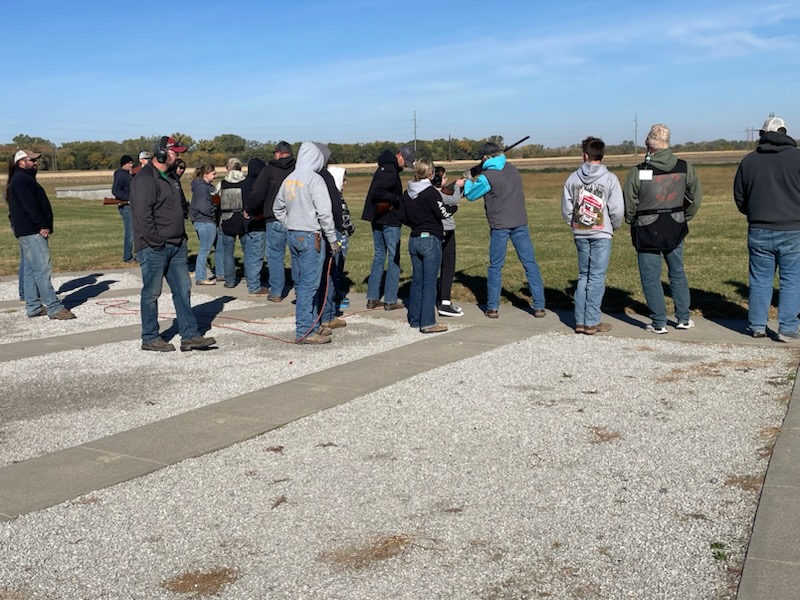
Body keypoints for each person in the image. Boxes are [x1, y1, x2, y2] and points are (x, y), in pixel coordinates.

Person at [130, 136, 216, 352]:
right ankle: (150, 337)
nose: (178, 156)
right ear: (161, 153)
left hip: (177, 244)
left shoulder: (171, 178)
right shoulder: (145, 178)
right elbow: (142, 215)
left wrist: (181, 237)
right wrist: (156, 242)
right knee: (152, 292)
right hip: (154, 246)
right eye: (175, 152)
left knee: (183, 289)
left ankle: (190, 335)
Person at [623, 124, 702, 334]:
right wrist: (684, 217)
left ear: (650, 145)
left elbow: (629, 201)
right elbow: (696, 198)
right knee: (677, 273)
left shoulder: (639, 171)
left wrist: (631, 219)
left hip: (647, 229)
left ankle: (659, 322)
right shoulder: (686, 168)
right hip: (676, 227)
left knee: (650, 277)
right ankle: (684, 318)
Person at [462, 141, 546, 319]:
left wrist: (468, 179)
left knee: (495, 267)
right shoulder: (513, 170)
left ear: (485, 158)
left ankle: (492, 307)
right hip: (520, 222)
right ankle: (539, 306)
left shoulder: (487, 176)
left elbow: (470, 195)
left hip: (500, 226)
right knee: (530, 264)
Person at [734, 115, 800, 341]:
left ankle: (757, 325)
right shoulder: (797, 158)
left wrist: (754, 214)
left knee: (760, 279)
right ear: (786, 133)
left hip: (759, 228)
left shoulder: (749, 161)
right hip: (793, 229)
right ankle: (788, 328)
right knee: (792, 280)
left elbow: (740, 198)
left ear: (762, 135)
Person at [273, 142, 339, 345]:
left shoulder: (289, 179)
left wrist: (291, 222)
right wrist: (333, 239)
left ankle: (311, 324)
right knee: (309, 286)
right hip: (312, 237)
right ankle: (304, 331)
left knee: (301, 283)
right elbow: (325, 213)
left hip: (293, 236)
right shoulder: (315, 179)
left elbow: (277, 208)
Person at [561, 137, 624, 335]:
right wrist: (613, 226)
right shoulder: (610, 179)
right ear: (601, 155)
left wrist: (573, 223)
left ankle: (580, 320)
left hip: (580, 231)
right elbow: (617, 208)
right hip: (601, 233)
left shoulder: (572, 178)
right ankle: (592, 321)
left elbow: (566, 207)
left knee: (584, 275)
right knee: (596, 277)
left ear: (585, 155)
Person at [7, 150, 76, 320]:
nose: (35, 163)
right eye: (31, 160)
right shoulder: (22, 180)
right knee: (42, 270)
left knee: (30, 269)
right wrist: (43, 225)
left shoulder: (21, 179)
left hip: (26, 231)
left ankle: (33, 306)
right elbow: (30, 206)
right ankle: (54, 307)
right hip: (32, 231)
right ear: (21, 162)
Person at [397, 159, 456, 333]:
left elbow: (401, 216)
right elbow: (442, 213)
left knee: (417, 281)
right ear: (430, 173)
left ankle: (415, 319)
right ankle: (428, 322)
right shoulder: (431, 192)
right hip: (430, 239)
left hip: (414, 238)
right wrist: (453, 209)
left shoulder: (407, 192)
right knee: (429, 283)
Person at [361, 145, 416, 310]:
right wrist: (397, 199)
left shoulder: (383, 167)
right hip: (389, 219)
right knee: (393, 258)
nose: (404, 166)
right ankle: (390, 299)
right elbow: (379, 192)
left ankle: (372, 298)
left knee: (379, 256)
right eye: (404, 162)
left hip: (377, 218)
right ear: (399, 155)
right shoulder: (391, 171)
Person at [247, 141, 296, 300]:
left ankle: (276, 292)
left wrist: (250, 209)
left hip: (273, 218)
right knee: (298, 255)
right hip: (296, 217)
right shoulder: (298, 169)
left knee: (275, 256)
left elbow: (258, 192)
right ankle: (302, 289)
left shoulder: (269, 170)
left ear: (277, 153)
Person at [314, 143, 347, 331]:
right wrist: (337, 231)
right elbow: (333, 206)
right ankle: (327, 315)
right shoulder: (324, 177)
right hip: (328, 230)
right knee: (330, 274)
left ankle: (319, 313)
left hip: (313, 231)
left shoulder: (310, 176)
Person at [432, 166, 463, 317]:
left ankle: (440, 299)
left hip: (437, 232)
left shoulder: (430, 192)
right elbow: (454, 199)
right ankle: (444, 301)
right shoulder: (436, 194)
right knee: (448, 266)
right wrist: (457, 186)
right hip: (445, 231)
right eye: (444, 177)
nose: (446, 180)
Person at [217, 157, 248, 288]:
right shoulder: (246, 182)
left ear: (227, 168)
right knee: (247, 251)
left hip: (227, 218)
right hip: (243, 218)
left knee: (228, 252)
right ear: (240, 168)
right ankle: (249, 277)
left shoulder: (222, 183)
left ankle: (230, 281)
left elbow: (215, 199)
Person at [328, 165, 355, 310]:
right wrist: (351, 228)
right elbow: (345, 220)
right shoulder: (337, 198)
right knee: (337, 267)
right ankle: (336, 297)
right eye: (343, 180)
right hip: (340, 236)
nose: (345, 184)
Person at [241, 157, 267, 295]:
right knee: (256, 256)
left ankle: (251, 280)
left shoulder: (245, 183)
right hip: (258, 222)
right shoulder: (258, 184)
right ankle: (254, 286)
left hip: (247, 223)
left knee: (250, 255)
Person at [189, 164, 218, 285]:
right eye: (213, 173)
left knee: (204, 249)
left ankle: (200, 272)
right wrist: (213, 211)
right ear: (206, 174)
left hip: (202, 220)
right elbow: (203, 206)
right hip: (205, 221)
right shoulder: (202, 187)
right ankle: (201, 277)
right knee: (205, 250)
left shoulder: (205, 186)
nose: (215, 175)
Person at [112, 154, 136, 262]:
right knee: (130, 233)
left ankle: (134, 255)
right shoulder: (121, 175)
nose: (132, 165)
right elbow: (115, 191)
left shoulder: (127, 174)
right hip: (126, 206)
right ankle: (127, 256)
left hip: (130, 206)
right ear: (125, 164)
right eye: (130, 163)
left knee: (134, 231)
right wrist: (128, 198)